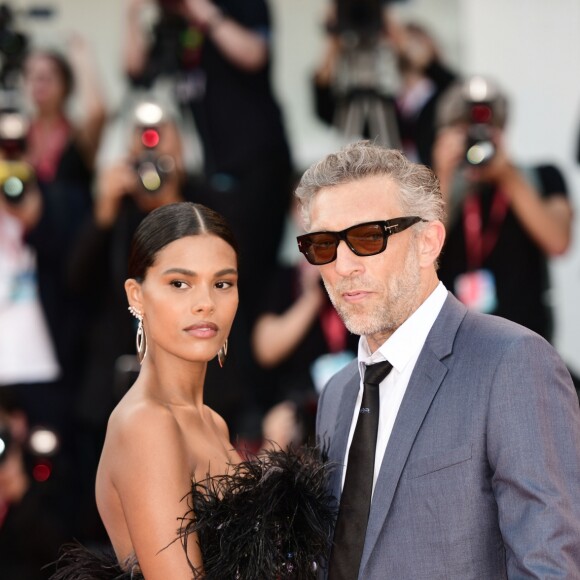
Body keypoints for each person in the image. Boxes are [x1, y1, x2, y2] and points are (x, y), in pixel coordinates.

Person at [294, 140, 580, 579]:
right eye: (323, 245)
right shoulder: (337, 395)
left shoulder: (511, 362)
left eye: (368, 237)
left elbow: (549, 566)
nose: (343, 265)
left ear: (428, 242)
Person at [52, 202, 335, 580]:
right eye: (179, 283)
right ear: (137, 296)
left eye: (222, 283)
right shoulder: (146, 424)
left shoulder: (211, 421)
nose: (205, 304)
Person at [433, 76, 572, 343]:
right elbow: (422, 253)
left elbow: (558, 241)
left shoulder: (542, 177)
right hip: (454, 342)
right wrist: (444, 177)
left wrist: (507, 175)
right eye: (466, 132)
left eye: (487, 130)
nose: (476, 141)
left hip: (527, 338)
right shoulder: (433, 188)